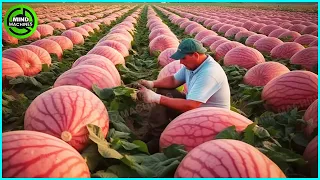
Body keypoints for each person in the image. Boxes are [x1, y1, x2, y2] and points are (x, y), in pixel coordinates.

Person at [137, 38, 230, 153]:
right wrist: (151, 83)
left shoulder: (209, 73)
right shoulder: (193, 66)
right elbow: (173, 80)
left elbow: (191, 105)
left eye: (183, 58)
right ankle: (154, 133)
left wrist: (156, 98)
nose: (181, 62)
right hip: (196, 110)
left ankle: (157, 140)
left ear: (195, 55)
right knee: (164, 90)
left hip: (210, 121)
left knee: (161, 98)